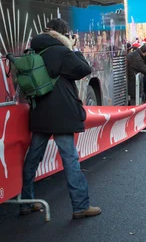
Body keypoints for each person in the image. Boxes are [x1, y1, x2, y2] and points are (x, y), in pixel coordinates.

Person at [20, 19, 102, 219]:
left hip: (39, 112)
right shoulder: (62, 52)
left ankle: (25, 202)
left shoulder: (34, 50)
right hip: (62, 113)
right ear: (63, 34)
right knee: (70, 158)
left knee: (32, 158)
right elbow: (84, 69)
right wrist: (73, 49)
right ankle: (80, 206)